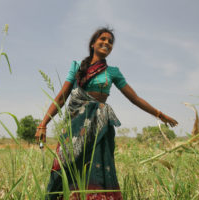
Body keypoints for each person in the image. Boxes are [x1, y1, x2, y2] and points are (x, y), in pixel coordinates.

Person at [35, 27, 178, 200]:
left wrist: (160, 115)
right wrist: (43, 124)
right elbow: (61, 98)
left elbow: (135, 98)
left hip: (99, 128)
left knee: (96, 169)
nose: (107, 43)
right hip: (74, 128)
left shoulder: (112, 72)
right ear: (93, 44)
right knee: (67, 167)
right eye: (103, 39)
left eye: (111, 42)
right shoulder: (77, 68)